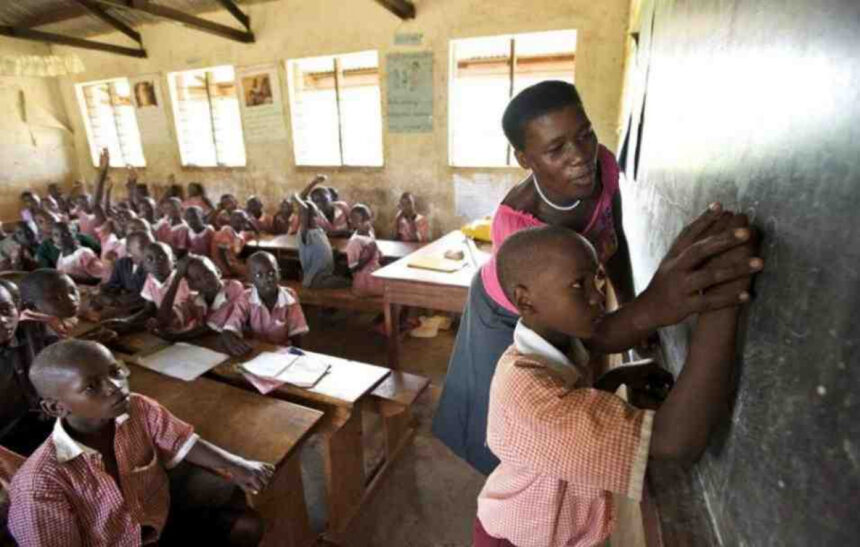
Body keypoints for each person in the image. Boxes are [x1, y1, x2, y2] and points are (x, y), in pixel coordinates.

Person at [432, 80, 763, 476]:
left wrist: (629, 300)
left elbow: (613, 234)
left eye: (585, 135)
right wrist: (652, 307)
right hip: (505, 314)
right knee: (509, 422)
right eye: (556, 149)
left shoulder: (601, 165)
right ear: (525, 159)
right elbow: (589, 334)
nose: (580, 157)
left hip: (553, 296)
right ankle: (513, 501)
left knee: (558, 393)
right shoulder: (520, 228)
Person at [472, 225, 762, 546]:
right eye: (578, 285)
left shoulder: (551, 343)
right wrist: (720, 306)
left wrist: (618, 377)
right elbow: (675, 442)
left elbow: (605, 336)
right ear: (524, 300)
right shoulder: (532, 398)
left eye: (596, 277)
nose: (597, 296)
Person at [8, 339, 272, 546]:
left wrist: (236, 464)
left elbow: (180, 440)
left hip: (158, 521)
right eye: (91, 387)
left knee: (248, 525)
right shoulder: (39, 485)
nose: (115, 386)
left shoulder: (137, 408)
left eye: (115, 371)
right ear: (56, 407)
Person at [154, 255, 252, 357]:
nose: (205, 281)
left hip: (240, 347)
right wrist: (177, 277)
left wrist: (175, 337)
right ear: (192, 286)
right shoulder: (194, 300)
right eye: (197, 279)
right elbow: (163, 319)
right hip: (212, 351)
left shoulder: (233, 287)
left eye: (208, 274)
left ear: (218, 271)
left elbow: (209, 328)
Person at [0, 281, 52, 456]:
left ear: (18, 308)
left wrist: (52, 395)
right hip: (7, 440)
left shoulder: (35, 330)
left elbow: (65, 364)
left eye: (6, 309)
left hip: (47, 417)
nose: (2, 320)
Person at [100, 242, 191, 334]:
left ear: (174, 260)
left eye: (161, 257)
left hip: (183, 328)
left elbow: (173, 316)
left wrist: (132, 324)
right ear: (144, 266)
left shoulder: (181, 282)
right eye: (149, 259)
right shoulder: (151, 279)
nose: (156, 263)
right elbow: (149, 309)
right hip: (165, 325)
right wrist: (126, 321)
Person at [233, 251, 308, 348]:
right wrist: (233, 342)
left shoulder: (289, 296)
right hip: (255, 351)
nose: (267, 279)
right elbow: (231, 327)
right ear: (250, 279)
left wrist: (295, 355)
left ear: (279, 274)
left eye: (271, 273)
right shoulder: (246, 297)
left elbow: (296, 333)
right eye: (259, 275)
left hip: (281, 351)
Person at [293, 193, 349, 289]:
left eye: (315, 215)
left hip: (326, 273)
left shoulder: (319, 230)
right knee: (348, 283)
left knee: (347, 272)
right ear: (303, 218)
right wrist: (296, 197)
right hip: (316, 279)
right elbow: (305, 209)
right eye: (310, 216)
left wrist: (332, 253)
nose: (314, 218)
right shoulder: (305, 233)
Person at [94, 230, 154, 316]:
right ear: (129, 250)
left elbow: (145, 297)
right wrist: (104, 290)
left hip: (140, 309)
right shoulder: (122, 264)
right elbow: (113, 285)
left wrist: (118, 301)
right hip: (122, 303)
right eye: (142, 247)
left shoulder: (152, 269)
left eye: (151, 246)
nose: (148, 251)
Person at [346, 204, 383, 296]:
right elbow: (352, 268)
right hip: (364, 281)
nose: (367, 223)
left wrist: (377, 254)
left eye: (368, 219)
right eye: (361, 222)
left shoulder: (370, 232)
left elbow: (375, 251)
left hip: (375, 272)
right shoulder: (354, 242)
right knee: (395, 290)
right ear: (353, 223)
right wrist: (366, 258)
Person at [211, 210, 257, 279]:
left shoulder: (239, 232)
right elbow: (225, 260)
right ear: (231, 221)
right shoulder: (223, 235)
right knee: (256, 271)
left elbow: (255, 234)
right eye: (238, 221)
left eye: (244, 221)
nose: (242, 224)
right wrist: (229, 275)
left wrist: (249, 222)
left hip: (236, 262)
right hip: (227, 269)